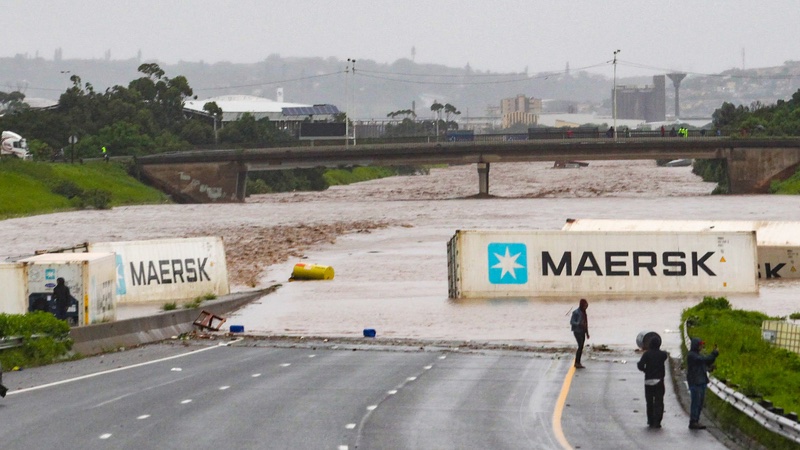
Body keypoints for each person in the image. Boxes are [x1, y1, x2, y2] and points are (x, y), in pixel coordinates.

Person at [637, 334, 669, 428]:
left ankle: (650, 420)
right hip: (659, 381)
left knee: (649, 402)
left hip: (648, 381)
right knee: (659, 401)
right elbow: (665, 357)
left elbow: (640, 365)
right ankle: (657, 421)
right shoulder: (663, 355)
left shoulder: (646, 354)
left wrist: (645, 370)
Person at [686, 338, 719, 430]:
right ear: (696, 346)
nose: (701, 346)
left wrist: (710, 367)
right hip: (695, 382)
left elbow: (705, 363)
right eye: (700, 345)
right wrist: (714, 354)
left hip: (701, 382)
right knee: (696, 403)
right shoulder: (692, 356)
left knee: (699, 403)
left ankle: (696, 420)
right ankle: (693, 421)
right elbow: (705, 360)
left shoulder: (697, 355)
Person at [569, 298, 589, 368]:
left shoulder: (584, 313)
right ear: (582, 305)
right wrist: (578, 323)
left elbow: (586, 323)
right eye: (585, 306)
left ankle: (578, 362)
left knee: (581, 347)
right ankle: (576, 362)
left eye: (587, 306)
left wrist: (587, 333)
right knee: (580, 346)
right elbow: (571, 322)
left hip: (583, 331)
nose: (586, 307)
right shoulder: (576, 312)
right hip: (577, 331)